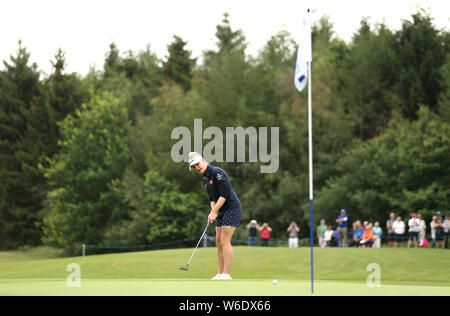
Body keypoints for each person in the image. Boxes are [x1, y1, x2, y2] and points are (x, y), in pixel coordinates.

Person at [189, 152, 242, 280]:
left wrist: (214, 212)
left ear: (203, 160)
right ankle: (220, 273)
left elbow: (223, 195)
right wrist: (213, 210)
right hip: (220, 209)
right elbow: (212, 199)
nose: (196, 167)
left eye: (197, 164)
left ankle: (227, 274)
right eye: (193, 167)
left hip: (231, 208)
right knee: (218, 242)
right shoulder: (206, 180)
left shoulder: (217, 173)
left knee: (225, 241)